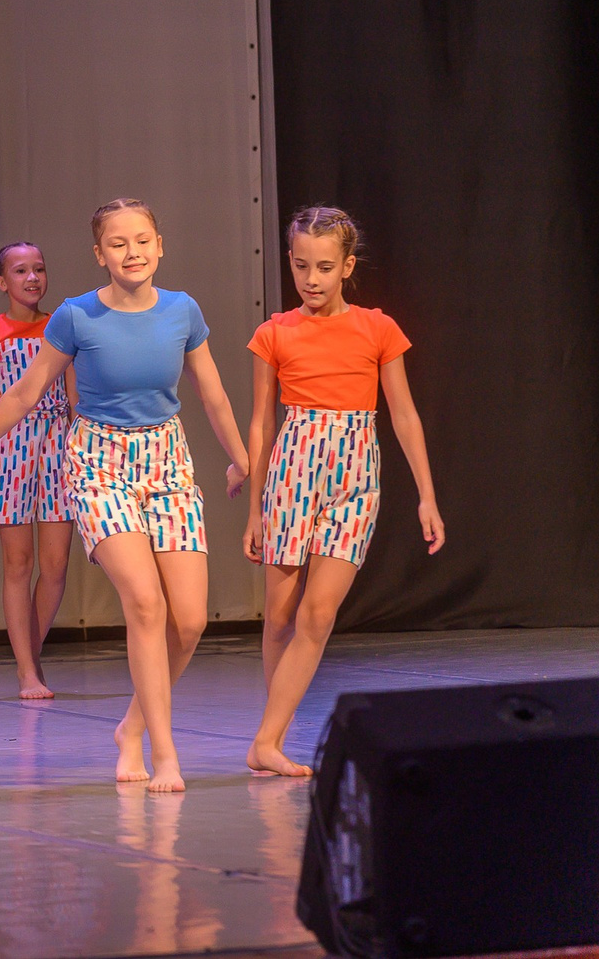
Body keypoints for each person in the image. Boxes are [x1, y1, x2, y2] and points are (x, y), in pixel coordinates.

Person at [0, 200, 248, 792]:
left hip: (167, 459)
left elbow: (213, 394)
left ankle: (132, 726)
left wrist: (240, 457)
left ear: (160, 246)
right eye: (119, 244)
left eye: (143, 240)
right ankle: (164, 753)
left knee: (190, 620)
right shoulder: (77, 316)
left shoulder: (182, 310)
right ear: (99, 254)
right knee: (146, 604)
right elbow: (24, 393)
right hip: (99, 461)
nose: (133, 253)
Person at [243, 206, 445, 777]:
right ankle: (274, 733)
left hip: (355, 473)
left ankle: (266, 739)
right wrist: (255, 508)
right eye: (301, 266)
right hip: (293, 469)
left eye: (325, 267)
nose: (311, 279)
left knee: (319, 613)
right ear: (290, 261)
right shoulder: (274, 333)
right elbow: (261, 423)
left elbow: (403, 414)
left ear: (348, 267)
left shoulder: (377, 329)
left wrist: (426, 495)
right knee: (280, 615)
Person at [0, 242, 76, 699]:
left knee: (55, 564)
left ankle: (30, 652)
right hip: (9, 445)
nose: (32, 277)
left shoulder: (61, 325)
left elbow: (74, 398)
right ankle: (27, 670)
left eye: (39, 269)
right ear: (1, 281)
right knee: (18, 562)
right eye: (20, 270)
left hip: (58, 445)